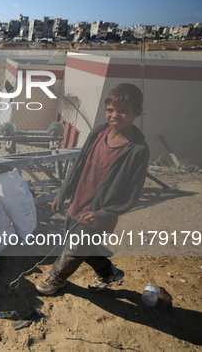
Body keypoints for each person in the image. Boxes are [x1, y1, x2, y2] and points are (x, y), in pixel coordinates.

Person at [36, 83, 150, 295]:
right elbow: (78, 165)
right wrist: (63, 193)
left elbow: (132, 195)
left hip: (99, 213)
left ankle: (57, 277)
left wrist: (102, 214)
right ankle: (108, 272)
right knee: (79, 244)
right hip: (78, 202)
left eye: (123, 111)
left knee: (74, 249)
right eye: (110, 110)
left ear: (138, 113)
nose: (115, 115)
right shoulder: (99, 133)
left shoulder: (137, 150)